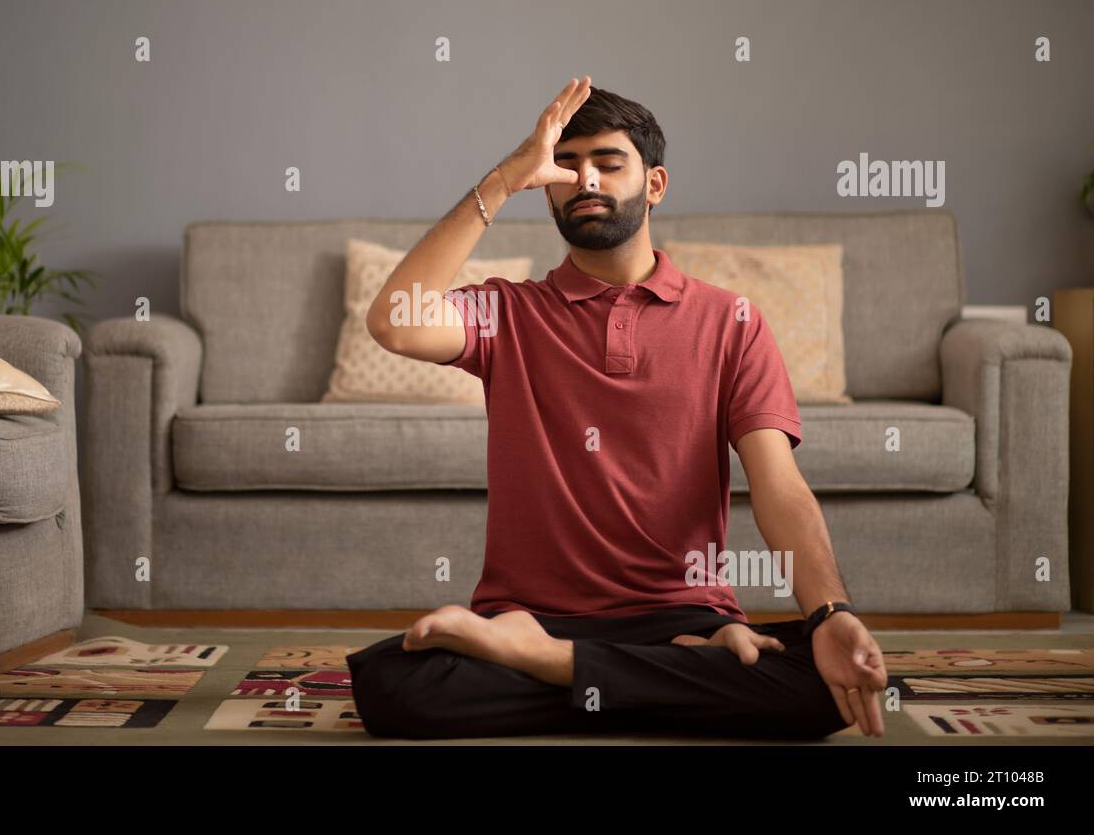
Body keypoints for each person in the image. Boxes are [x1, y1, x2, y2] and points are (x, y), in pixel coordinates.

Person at [349, 76, 887, 740]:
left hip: (683, 618)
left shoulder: (732, 322)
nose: (586, 181)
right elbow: (395, 323)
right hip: (533, 610)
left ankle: (545, 666)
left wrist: (829, 612)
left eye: (608, 163)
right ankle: (637, 672)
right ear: (544, 191)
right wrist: (503, 178)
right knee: (393, 688)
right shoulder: (508, 313)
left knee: (830, 682)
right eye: (565, 168)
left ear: (654, 185)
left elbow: (780, 488)